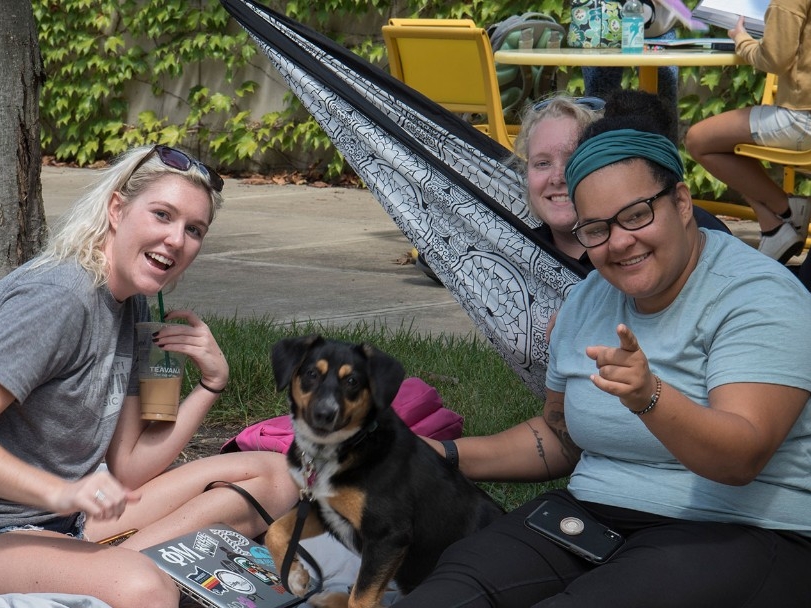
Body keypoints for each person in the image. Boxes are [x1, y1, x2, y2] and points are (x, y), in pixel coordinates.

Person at [392, 125, 811, 607]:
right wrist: (441, 455)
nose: (619, 242)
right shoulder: (588, 300)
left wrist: (649, 397)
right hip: (596, 514)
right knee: (452, 589)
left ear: (680, 201)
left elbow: (741, 458)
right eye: (595, 229)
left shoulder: (758, 296)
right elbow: (560, 437)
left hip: (741, 530)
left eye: (636, 215)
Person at [0, 145, 300, 607]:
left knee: (278, 476)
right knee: (146, 590)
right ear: (117, 209)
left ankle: (99, 564)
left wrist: (210, 385)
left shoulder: (132, 304)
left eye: (193, 229)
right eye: (163, 215)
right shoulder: (58, 300)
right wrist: (61, 491)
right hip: (11, 529)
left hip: (67, 520)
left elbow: (130, 469)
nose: (177, 240)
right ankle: (115, 569)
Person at [685, 3, 811, 264]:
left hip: (802, 119)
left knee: (699, 141)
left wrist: (741, 38)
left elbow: (775, 58)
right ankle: (772, 225)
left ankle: (785, 209)